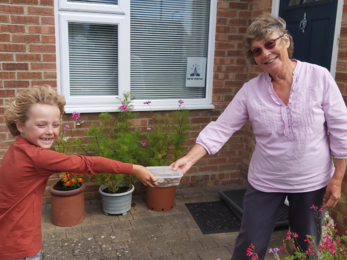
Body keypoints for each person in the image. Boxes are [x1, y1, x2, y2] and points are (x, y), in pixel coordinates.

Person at [172, 13, 347, 259]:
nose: (265, 53)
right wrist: (190, 159)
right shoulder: (250, 91)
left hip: (311, 181)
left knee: (306, 248)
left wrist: (337, 178)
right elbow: (222, 127)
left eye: (269, 44)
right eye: (256, 51)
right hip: (266, 181)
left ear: (285, 40)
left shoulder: (319, 77)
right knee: (249, 246)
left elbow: (341, 129)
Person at [0, 85, 158, 260]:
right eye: (41, 125)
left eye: (56, 124)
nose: (50, 131)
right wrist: (134, 168)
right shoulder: (36, 156)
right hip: (19, 246)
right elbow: (89, 163)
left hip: (8, 239)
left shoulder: (18, 148)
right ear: (20, 126)